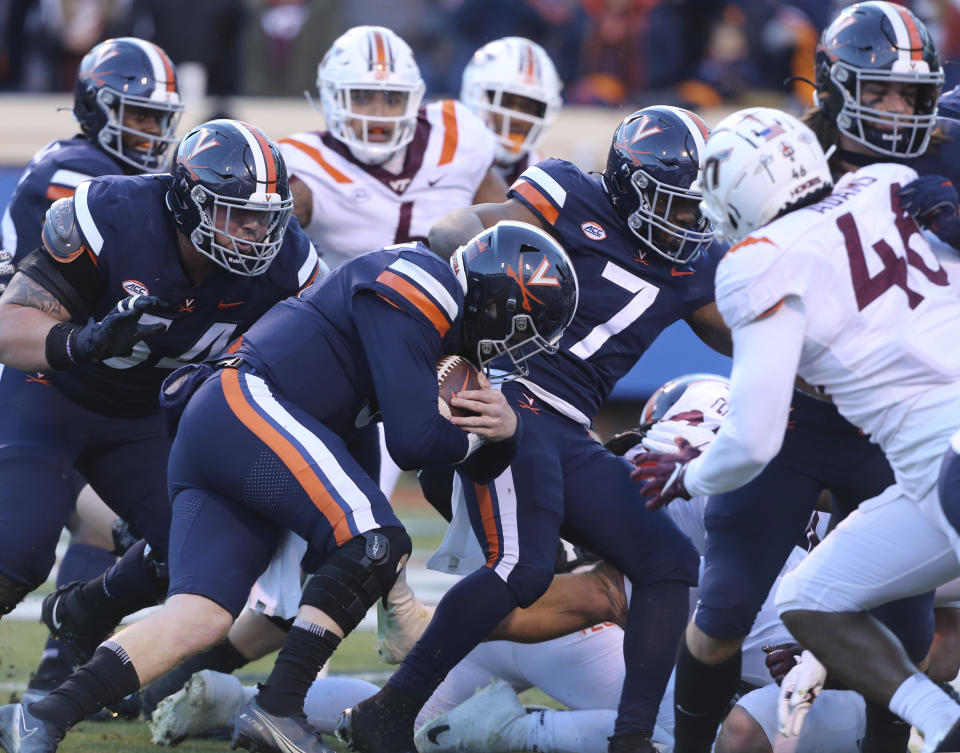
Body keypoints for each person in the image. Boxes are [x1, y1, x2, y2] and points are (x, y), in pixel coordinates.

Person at [0, 220, 579, 753]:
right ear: (499, 303)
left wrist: (495, 444)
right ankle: (278, 708)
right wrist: (489, 435)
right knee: (376, 538)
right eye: (521, 332)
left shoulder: (423, 328)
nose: (511, 353)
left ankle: (45, 715)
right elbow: (414, 442)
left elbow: (381, 450)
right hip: (246, 403)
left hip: (234, 424)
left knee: (201, 617)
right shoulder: (422, 281)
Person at [337, 105, 730, 753]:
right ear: (632, 187)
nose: (690, 221)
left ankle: (634, 739)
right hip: (512, 399)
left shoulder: (695, 264)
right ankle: (390, 709)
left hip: (567, 428)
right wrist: (450, 255)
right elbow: (463, 231)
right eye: (678, 204)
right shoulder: (569, 191)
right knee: (521, 569)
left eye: (698, 206)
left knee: (668, 560)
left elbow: (742, 332)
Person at [663, 5, 960, 752]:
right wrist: (806, 342)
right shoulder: (782, 156)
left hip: (906, 427)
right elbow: (722, 282)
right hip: (803, 415)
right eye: (880, 91)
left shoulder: (942, 146)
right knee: (729, 604)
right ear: (832, 85)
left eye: (911, 95)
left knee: (907, 625)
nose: (898, 111)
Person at [0, 117, 321, 665]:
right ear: (189, 204)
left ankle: (90, 608)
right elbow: (10, 328)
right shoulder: (112, 214)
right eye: (239, 214)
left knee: (211, 561)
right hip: (51, 394)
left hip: (150, 421)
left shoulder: (289, 263)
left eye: (267, 219)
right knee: (15, 552)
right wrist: (83, 341)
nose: (256, 234)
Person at [0, 34, 185, 703]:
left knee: (188, 541)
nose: (150, 132)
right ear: (95, 107)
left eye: (159, 118)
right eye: (137, 115)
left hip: (126, 396)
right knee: (17, 549)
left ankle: (66, 650)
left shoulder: (149, 185)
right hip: (47, 372)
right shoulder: (73, 174)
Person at [281, 25, 508, 271]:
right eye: (362, 97)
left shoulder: (456, 135)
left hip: (449, 304)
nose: (378, 115)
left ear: (413, 99)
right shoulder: (305, 163)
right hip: (345, 306)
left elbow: (509, 234)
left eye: (392, 99)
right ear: (332, 98)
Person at [460, 36, 563, 185]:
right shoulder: (444, 156)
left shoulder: (538, 173)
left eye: (528, 108)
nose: (517, 118)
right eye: (506, 102)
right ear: (475, 96)